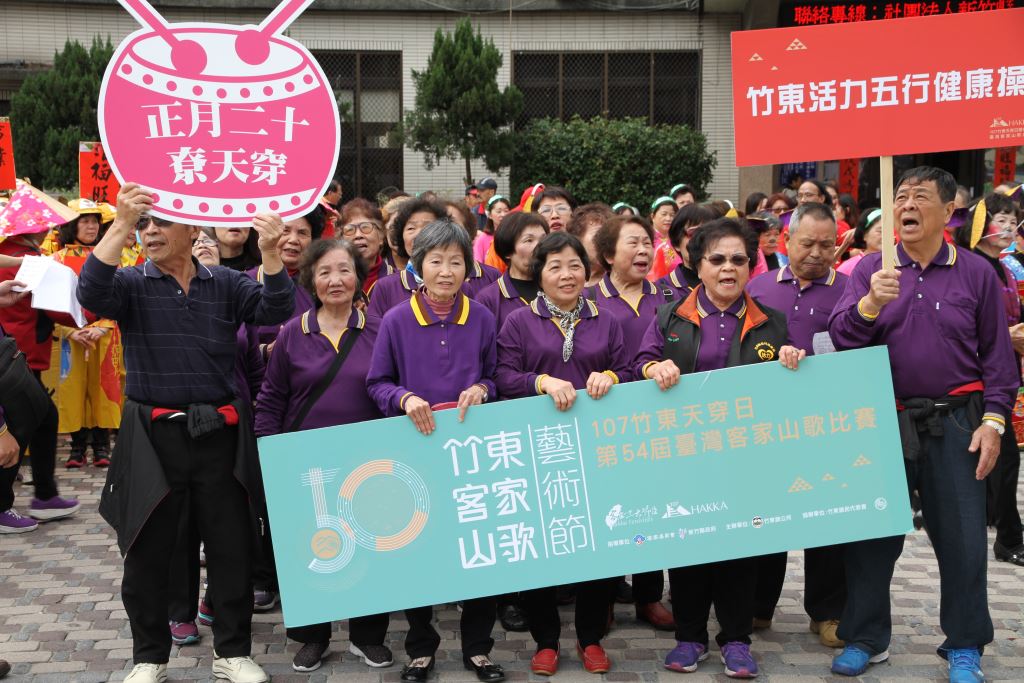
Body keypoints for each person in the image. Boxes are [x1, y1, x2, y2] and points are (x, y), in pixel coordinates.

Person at [78, 183, 295, 683]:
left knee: (231, 547)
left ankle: (233, 652)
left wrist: (269, 252)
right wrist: (120, 223)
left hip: (220, 434)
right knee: (147, 551)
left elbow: (275, 310)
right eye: (144, 224)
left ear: (193, 227)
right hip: (153, 438)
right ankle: (149, 658)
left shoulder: (226, 283)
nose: (150, 232)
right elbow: (90, 292)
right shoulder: (130, 283)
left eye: (162, 222)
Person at [827, 167, 1018, 682]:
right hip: (883, 420)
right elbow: (841, 339)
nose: (906, 206)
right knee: (872, 537)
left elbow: (998, 359)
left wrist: (994, 422)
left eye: (919, 197)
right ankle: (865, 637)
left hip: (957, 421)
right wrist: (870, 303)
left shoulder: (976, 272)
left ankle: (965, 644)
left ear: (949, 210)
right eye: (900, 197)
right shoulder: (871, 268)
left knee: (963, 539)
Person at [633, 217, 805, 679]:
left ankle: (736, 640)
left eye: (738, 260)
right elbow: (641, 362)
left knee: (741, 551)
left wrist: (792, 359)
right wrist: (653, 370)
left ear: (750, 266)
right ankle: (689, 637)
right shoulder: (670, 316)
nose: (728, 268)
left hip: (747, 459)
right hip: (686, 455)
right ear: (698, 265)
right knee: (688, 549)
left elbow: (791, 383)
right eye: (717, 259)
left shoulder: (772, 322)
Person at [366, 219, 503, 683]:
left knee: (480, 550)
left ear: (469, 267)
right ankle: (421, 648)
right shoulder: (396, 320)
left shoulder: (482, 317)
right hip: (416, 452)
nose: (446, 271)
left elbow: (496, 376)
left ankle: (478, 649)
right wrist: (404, 398)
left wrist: (483, 389)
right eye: (436, 261)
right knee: (418, 551)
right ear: (417, 266)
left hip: (472, 454)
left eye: (456, 262)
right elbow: (377, 383)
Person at [255, 239, 393, 673]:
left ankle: (367, 637)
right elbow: (271, 399)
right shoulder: (292, 333)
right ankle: (312, 637)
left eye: (344, 270)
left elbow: (394, 388)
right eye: (325, 272)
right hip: (306, 463)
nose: (335, 280)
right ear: (310, 281)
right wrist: (271, 455)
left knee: (370, 546)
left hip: (367, 462)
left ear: (359, 277)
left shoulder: (380, 330)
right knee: (310, 548)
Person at [495, 231, 628, 676]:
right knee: (541, 547)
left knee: (599, 545)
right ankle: (546, 640)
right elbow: (503, 376)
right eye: (555, 267)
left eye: (574, 265)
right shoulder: (518, 321)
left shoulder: (606, 319)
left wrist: (611, 377)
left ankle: (590, 638)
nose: (566, 275)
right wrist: (541, 381)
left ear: (587, 271)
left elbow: (629, 369)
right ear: (539, 275)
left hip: (596, 449)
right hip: (539, 450)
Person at [746, 202, 849, 648]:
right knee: (765, 515)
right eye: (807, 243)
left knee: (826, 517)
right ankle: (757, 605)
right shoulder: (758, 287)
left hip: (827, 423)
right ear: (786, 240)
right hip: (767, 422)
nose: (816, 253)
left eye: (827, 244)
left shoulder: (850, 290)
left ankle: (827, 612)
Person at [590, 214, 676, 631]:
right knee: (608, 510)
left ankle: (648, 596)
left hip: (656, 422)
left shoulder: (670, 299)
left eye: (647, 243)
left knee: (652, 508)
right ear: (608, 254)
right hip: (603, 420)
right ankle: (603, 599)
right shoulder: (588, 299)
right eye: (633, 243)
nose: (643, 251)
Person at [952, 193, 1024, 568]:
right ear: (979, 225)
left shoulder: (1006, 268)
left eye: (1013, 221)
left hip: (1003, 376)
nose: (1009, 227)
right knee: (1004, 459)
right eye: (1001, 219)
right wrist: (1008, 337)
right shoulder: (972, 268)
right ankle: (1009, 537)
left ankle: (994, 525)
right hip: (976, 380)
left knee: (996, 461)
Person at [0, 208, 80, 534]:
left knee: (42, 416)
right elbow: (53, 307)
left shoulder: (24, 256)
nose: (48, 228)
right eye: (43, 224)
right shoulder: (32, 259)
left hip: (15, 350)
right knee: (21, 422)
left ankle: (45, 495)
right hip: (17, 355)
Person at [51, 199, 124, 468]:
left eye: (95, 221)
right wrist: (70, 332)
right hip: (71, 338)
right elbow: (50, 303)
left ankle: (102, 446)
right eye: (85, 221)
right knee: (73, 390)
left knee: (103, 388)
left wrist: (104, 325)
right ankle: (77, 447)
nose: (92, 226)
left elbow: (121, 295)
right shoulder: (56, 260)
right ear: (72, 226)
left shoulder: (110, 257)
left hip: (103, 335)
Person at [476, 212, 549, 332]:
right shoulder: (489, 299)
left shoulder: (558, 289)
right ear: (508, 251)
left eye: (543, 239)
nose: (539, 246)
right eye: (529, 240)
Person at [656, 204, 718, 301]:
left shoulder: (727, 283)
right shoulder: (661, 289)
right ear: (677, 243)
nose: (701, 240)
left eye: (709, 233)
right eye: (694, 233)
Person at [338, 198, 394, 296]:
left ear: (381, 236)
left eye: (365, 227)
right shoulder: (334, 282)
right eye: (350, 229)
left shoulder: (398, 281)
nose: (358, 235)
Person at [566, 202, 613, 286]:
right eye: (597, 236)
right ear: (577, 240)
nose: (606, 243)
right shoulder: (565, 281)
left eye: (610, 237)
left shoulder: (622, 282)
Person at [837, 209, 882, 276]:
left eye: (889, 230)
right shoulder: (849, 267)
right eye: (880, 231)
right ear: (864, 235)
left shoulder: (895, 262)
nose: (885, 235)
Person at [649, 196, 680, 280]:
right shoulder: (647, 239)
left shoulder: (679, 240)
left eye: (672, 215)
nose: (668, 218)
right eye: (664, 214)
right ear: (653, 216)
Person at [474, 195, 511, 264]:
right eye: (499, 211)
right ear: (490, 215)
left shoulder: (514, 236)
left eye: (506, 211)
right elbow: (477, 264)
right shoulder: (482, 239)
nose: (503, 214)